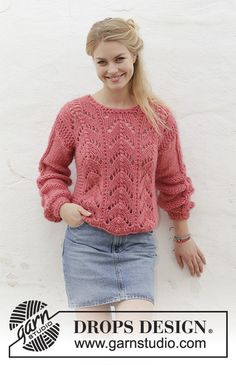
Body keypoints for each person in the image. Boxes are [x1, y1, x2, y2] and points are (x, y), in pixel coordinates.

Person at [36, 17, 206, 337]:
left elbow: (173, 181)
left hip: (137, 247)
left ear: (134, 57)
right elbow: (51, 170)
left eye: (119, 59)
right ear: (93, 62)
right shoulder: (75, 114)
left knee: (136, 340)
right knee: (94, 347)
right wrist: (61, 206)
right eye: (102, 62)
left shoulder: (158, 116)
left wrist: (182, 237)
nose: (111, 69)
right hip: (86, 243)